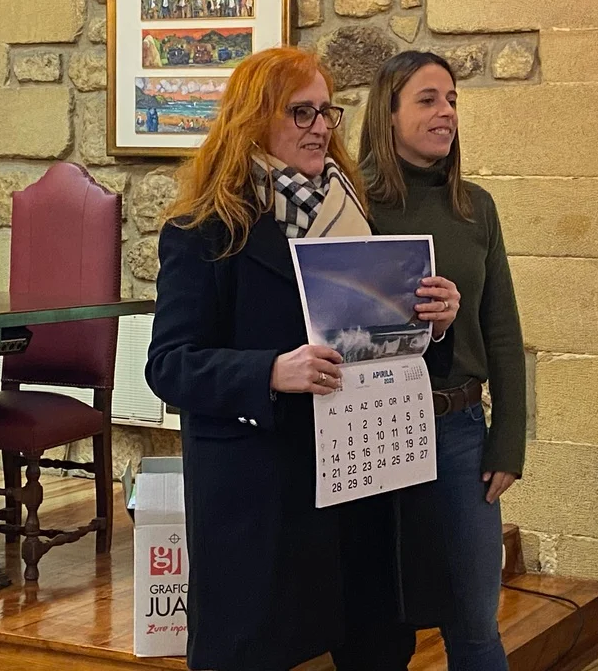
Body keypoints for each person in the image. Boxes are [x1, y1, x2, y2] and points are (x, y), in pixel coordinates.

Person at [144, 46, 460, 671]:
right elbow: (169, 365)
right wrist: (268, 371)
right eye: (301, 112)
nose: (319, 127)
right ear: (254, 119)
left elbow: (380, 344)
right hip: (262, 492)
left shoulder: (355, 217)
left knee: (374, 649)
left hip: (357, 479)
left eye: (326, 112)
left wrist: (434, 323)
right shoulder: (205, 228)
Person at [360, 50, 528, 671]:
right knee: (379, 627)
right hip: (374, 426)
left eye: (452, 100)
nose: (446, 112)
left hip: (458, 431)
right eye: (428, 99)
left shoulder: (475, 207)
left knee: (475, 622)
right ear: (389, 112)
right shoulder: (351, 203)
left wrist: (508, 439)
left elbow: (502, 330)